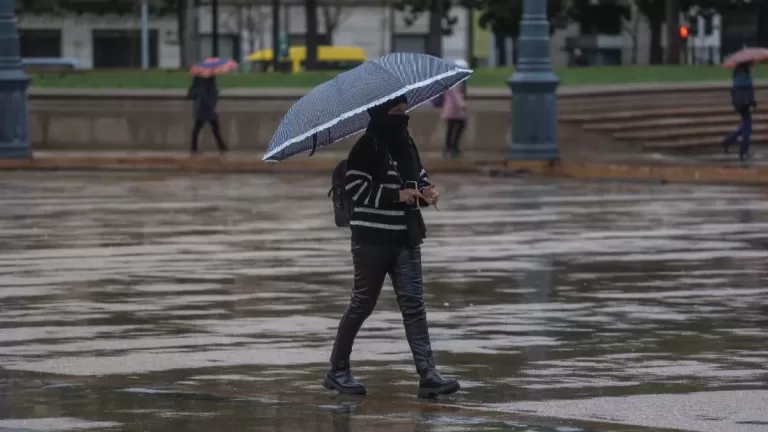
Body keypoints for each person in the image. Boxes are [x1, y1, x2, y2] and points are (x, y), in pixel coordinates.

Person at [324, 94, 460, 399]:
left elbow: (417, 174)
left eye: (404, 110)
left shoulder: (406, 144)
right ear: (381, 113)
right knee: (362, 304)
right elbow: (357, 190)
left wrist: (426, 190)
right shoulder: (366, 146)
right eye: (396, 111)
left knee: (414, 305)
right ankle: (337, 370)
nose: (402, 116)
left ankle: (428, 374)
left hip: (406, 235)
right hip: (372, 240)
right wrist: (397, 196)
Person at [723, 61, 756, 161]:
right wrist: (752, 103)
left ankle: (728, 141)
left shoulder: (737, 74)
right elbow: (749, 92)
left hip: (738, 104)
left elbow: (734, 91)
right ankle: (743, 150)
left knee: (746, 124)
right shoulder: (746, 77)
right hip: (745, 103)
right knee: (748, 126)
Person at [187, 76, 228, 154]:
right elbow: (213, 93)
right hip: (206, 108)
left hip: (202, 108)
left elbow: (191, 94)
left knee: (198, 130)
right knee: (214, 129)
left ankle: (194, 148)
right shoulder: (210, 80)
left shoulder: (198, 80)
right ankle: (222, 147)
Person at [442, 59, 469, 159]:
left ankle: (453, 148)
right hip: (452, 109)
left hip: (455, 110)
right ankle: (450, 149)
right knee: (452, 128)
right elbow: (456, 94)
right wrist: (462, 104)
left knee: (456, 127)